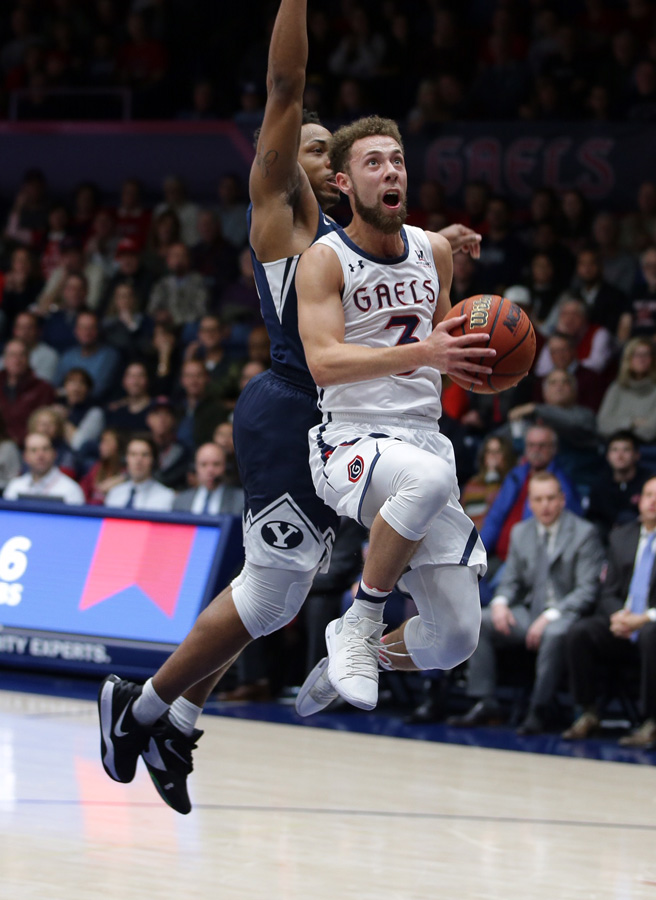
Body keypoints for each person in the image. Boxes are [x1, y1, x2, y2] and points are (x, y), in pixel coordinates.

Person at [95, 2, 480, 817]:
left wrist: (436, 248)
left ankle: (178, 718)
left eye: (325, 148)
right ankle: (143, 707)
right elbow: (284, 83)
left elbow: (394, 291)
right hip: (296, 410)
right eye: (308, 144)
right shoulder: (281, 209)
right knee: (271, 594)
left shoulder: (358, 238)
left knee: (272, 596)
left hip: (371, 418)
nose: (317, 150)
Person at [289, 116, 491, 726]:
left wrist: (482, 361)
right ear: (346, 183)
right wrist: (425, 352)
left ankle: (356, 655)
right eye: (373, 163)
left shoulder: (433, 251)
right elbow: (322, 363)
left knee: (455, 638)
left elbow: (446, 346)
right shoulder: (324, 259)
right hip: (350, 438)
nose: (390, 170)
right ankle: (360, 618)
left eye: (397, 160)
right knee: (422, 481)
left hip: (423, 438)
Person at [453, 471, 606, 734]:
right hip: (529, 612)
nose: (544, 505)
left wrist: (550, 617)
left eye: (550, 498)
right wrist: (501, 602)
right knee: (481, 619)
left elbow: (586, 590)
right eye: (538, 499)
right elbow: (511, 580)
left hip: (567, 614)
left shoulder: (584, 533)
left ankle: (539, 708)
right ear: (530, 504)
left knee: (554, 634)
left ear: (562, 500)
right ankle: (485, 702)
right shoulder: (521, 532)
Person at [561, 476, 656, 744]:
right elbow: (608, 591)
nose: (652, 501)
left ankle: (653, 720)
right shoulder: (622, 535)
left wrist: (645, 618)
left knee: (654, 632)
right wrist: (619, 615)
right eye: (648, 494)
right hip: (624, 622)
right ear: (639, 501)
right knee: (579, 632)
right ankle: (588, 712)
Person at [480, 424, 581, 560]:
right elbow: (494, 518)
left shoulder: (561, 484)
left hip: (526, 561)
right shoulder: (515, 476)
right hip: (495, 556)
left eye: (542, 445)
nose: (536, 450)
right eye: (531, 445)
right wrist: (478, 555)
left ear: (554, 449)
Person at [0, 339, 58, 444]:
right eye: (12, 355)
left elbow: (43, 423)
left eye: (21, 355)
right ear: (4, 359)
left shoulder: (42, 389)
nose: (16, 360)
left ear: (28, 359)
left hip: (28, 445)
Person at [596, 338, 656, 444]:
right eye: (636, 354)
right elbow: (602, 425)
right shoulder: (617, 387)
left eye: (646, 354)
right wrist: (632, 423)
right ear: (628, 359)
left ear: (654, 360)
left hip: (644, 448)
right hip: (614, 447)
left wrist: (618, 423)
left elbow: (651, 431)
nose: (641, 359)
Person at [585, 431, 652, 535]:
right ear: (607, 456)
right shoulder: (599, 484)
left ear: (636, 455)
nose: (620, 455)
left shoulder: (649, 482)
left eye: (626, 450)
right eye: (614, 450)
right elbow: (593, 518)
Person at [4, 432, 85, 504]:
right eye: (34, 450)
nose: (40, 455)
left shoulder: (70, 489)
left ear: (54, 454)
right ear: (25, 457)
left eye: (45, 449)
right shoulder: (15, 486)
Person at [104, 435, 177, 512]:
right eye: (133, 454)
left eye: (144, 455)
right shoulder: (114, 493)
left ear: (153, 460)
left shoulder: (166, 496)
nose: (138, 460)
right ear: (126, 459)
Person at [171, 443, 244, 514]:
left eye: (216, 464)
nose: (210, 470)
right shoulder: (181, 501)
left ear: (226, 467)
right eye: (204, 464)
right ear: (195, 468)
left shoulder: (241, 501)